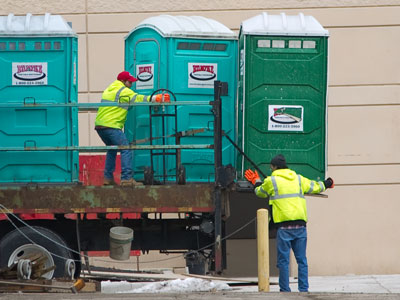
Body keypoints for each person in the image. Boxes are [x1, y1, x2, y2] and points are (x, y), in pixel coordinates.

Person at [245, 154, 334, 292]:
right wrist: (327, 183)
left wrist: (256, 181)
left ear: (274, 167)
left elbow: (259, 192)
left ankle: (285, 291)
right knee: (302, 260)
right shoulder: (298, 179)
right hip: (300, 226)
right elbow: (315, 187)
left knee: (283, 262)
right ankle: (304, 290)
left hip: (284, 227)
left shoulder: (271, 180)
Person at [95, 71, 169, 186]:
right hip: (112, 126)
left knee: (112, 150)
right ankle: (126, 179)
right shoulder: (123, 91)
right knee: (126, 148)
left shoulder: (109, 90)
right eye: (130, 82)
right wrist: (156, 98)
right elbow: (139, 98)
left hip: (100, 126)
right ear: (123, 81)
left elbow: (120, 105)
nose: (131, 84)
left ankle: (108, 178)